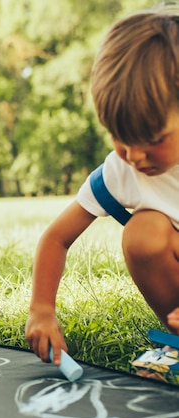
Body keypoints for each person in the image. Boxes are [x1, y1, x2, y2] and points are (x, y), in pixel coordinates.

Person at [25, 4, 179, 368]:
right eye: (120, 138)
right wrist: (42, 309)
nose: (136, 155)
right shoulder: (122, 171)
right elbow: (56, 238)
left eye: (152, 138)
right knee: (143, 232)